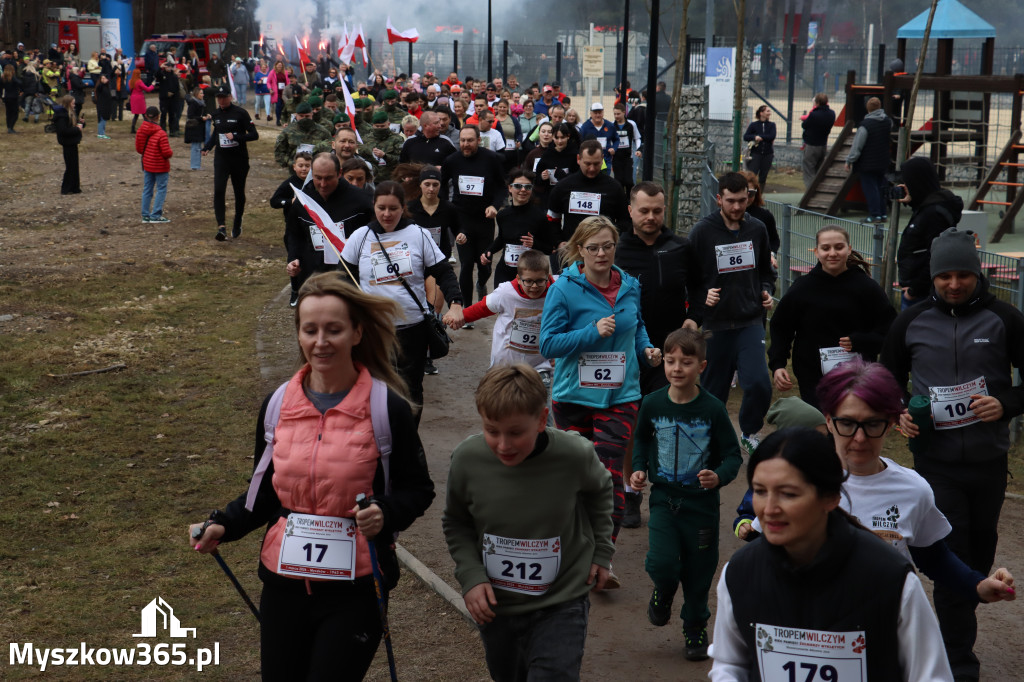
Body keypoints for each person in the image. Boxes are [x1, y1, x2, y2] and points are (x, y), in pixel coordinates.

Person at [187, 272, 435, 681]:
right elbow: (265, 492)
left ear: (357, 333)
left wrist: (385, 513)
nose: (321, 341)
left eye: (334, 330)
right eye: (310, 330)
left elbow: (418, 489)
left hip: (355, 589)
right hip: (283, 585)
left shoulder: (385, 408)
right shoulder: (277, 405)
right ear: (299, 334)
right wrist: (224, 524)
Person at [882, 227, 1024, 681]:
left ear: (978, 274)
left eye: (964, 275)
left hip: (988, 461)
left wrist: (1006, 404)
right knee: (954, 552)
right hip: (936, 463)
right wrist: (898, 410)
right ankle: (958, 662)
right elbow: (886, 379)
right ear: (933, 277)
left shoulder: (1005, 319)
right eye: (945, 276)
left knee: (979, 555)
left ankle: (958, 630)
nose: (955, 284)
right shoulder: (911, 321)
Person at [708, 427, 954, 681]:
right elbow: (728, 663)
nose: (769, 509)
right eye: (760, 491)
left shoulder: (892, 579)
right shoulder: (738, 574)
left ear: (830, 497)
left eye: (788, 494)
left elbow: (931, 676)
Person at [442, 364, 614, 681]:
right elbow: (456, 522)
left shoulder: (575, 455)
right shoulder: (467, 460)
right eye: (492, 430)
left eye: (516, 433)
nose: (503, 445)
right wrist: (471, 575)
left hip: (562, 599)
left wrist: (602, 551)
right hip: (497, 605)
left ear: (541, 418)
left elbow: (601, 491)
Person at [816, 357, 1015, 600]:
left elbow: (933, 558)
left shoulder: (912, 488)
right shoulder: (803, 481)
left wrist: (978, 586)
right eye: (847, 423)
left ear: (891, 423)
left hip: (887, 619)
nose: (859, 437)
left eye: (873, 424)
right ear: (829, 421)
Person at [539, 215, 662, 555]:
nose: (601, 254)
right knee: (574, 475)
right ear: (580, 249)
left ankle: (602, 554)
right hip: (573, 396)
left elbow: (636, 326)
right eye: (593, 248)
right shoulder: (563, 289)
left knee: (608, 474)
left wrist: (646, 349)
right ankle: (572, 544)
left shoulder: (630, 285)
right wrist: (591, 332)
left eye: (608, 246)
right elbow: (548, 344)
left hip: (620, 395)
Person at [630, 327, 742, 661]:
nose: (677, 368)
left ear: (702, 366)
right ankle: (663, 592)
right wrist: (638, 468)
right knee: (661, 562)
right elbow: (641, 439)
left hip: (702, 507)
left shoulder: (712, 409)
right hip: (664, 501)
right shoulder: (652, 403)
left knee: (699, 571)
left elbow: (733, 456)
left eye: (686, 362)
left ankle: (695, 627)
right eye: (670, 361)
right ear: (663, 362)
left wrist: (718, 476)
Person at [341, 181, 464, 421]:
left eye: (393, 208)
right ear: (374, 206)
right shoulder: (360, 237)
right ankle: (379, 436)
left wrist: (456, 304)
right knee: (372, 389)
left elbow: (443, 272)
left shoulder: (418, 234)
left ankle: (408, 437)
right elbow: (342, 279)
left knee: (410, 390)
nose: (387, 214)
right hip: (373, 331)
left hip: (412, 329)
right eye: (381, 208)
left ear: (403, 207)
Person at [686, 172, 775, 453]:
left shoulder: (757, 229)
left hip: (750, 321)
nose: (737, 207)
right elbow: (688, 277)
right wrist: (703, 296)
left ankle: (749, 431)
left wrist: (765, 290)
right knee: (714, 391)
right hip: (716, 324)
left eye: (742, 200)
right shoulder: (702, 232)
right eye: (730, 201)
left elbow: (766, 272)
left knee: (759, 383)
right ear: (719, 199)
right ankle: (711, 439)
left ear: (749, 198)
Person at [768, 225, 895, 408]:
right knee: (821, 422)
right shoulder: (802, 288)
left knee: (850, 419)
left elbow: (890, 331)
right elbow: (781, 327)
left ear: (849, 249)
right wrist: (778, 364)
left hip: (858, 376)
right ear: (816, 252)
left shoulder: (867, 288)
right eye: (826, 248)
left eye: (839, 247)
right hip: (812, 376)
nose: (832, 253)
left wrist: (861, 341)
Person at [446, 250, 556, 383]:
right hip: (506, 365)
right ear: (518, 279)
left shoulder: (557, 292)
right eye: (528, 281)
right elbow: (482, 308)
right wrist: (460, 317)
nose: (534, 286)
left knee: (539, 395)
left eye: (540, 281)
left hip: (540, 366)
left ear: (547, 277)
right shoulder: (505, 293)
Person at [286, 153, 374, 303]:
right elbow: (293, 234)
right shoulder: (303, 201)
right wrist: (293, 259)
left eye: (328, 178)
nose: (323, 184)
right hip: (315, 276)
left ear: (339, 173)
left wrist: (355, 242)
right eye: (318, 177)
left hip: (350, 277)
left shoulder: (361, 200)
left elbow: (376, 233)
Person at [442, 124, 509, 307]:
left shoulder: (491, 159)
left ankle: (481, 283)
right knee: (466, 265)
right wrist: (446, 206)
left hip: (484, 219)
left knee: (484, 264)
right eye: (463, 140)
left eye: (470, 140)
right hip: (461, 219)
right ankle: (467, 308)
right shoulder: (452, 160)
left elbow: (502, 187)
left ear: (479, 140)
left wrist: (495, 206)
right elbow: (441, 184)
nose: (466, 144)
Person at [895, 156, 965, 309]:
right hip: (917, 290)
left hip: (922, 294)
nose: (905, 186)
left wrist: (914, 290)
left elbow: (935, 255)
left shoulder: (933, 215)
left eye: (907, 182)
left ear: (916, 182)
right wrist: (913, 201)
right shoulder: (928, 208)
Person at [546, 139, 631, 255]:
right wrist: (558, 242)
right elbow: (552, 218)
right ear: (578, 159)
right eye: (587, 164)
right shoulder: (563, 187)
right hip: (572, 252)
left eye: (596, 164)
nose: (592, 168)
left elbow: (625, 221)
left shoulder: (614, 188)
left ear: (602, 159)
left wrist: (611, 239)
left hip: (603, 253)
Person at [202, 84, 259, 241]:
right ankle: (221, 227)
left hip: (239, 159)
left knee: (238, 192)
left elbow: (254, 135)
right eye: (219, 98)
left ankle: (238, 221)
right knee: (219, 190)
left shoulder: (241, 113)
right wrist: (207, 147)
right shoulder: (216, 114)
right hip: (222, 159)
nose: (221, 100)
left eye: (224, 97)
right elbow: (216, 134)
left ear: (230, 97)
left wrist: (236, 136)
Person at [482, 169, 556, 287]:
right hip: (505, 271)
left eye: (527, 187)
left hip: (530, 276)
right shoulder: (502, 215)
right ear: (510, 188)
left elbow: (549, 248)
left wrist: (534, 243)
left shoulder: (539, 216)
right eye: (518, 186)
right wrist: (488, 251)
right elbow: (502, 239)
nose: (523, 190)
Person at [271, 151, 312, 305]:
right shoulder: (289, 183)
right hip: (293, 230)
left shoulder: (315, 182)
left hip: (311, 229)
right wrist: (290, 202)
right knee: (294, 260)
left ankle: (310, 290)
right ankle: (295, 291)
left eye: (307, 166)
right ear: (294, 167)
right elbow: (274, 201)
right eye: (301, 166)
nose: (304, 169)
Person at [845, 96, 893, 224]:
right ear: (880, 107)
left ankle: (875, 215)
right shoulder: (887, 122)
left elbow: (857, 146)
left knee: (871, 189)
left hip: (867, 163)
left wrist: (849, 160)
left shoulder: (865, 125)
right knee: (881, 188)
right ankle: (883, 214)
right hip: (883, 161)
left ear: (868, 109)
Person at [136, 106, 173, 224]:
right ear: (158, 117)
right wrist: (170, 153)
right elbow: (166, 152)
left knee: (147, 189)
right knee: (161, 189)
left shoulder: (140, 130)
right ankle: (156, 215)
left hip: (147, 164)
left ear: (145, 116)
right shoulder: (161, 133)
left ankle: (145, 215)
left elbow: (139, 149)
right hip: (161, 166)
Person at [274, 101, 332, 169]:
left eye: (307, 116)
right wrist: (292, 163)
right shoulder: (288, 132)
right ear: (296, 115)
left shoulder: (323, 131)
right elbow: (279, 153)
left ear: (312, 114)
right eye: (301, 116)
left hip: (317, 169)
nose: (304, 118)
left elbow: (331, 148)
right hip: (294, 169)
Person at [357, 110, 406, 182]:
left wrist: (385, 156)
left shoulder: (397, 139)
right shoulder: (365, 139)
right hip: (371, 179)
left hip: (390, 179)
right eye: (377, 126)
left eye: (382, 126)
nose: (380, 128)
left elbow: (400, 159)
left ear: (388, 124)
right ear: (373, 125)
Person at [534, 122, 579, 199]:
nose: (559, 141)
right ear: (552, 137)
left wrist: (565, 176)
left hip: (568, 195)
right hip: (550, 195)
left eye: (562, 137)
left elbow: (578, 178)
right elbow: (536, 178)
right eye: (556, 138)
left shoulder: (574, 154)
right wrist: (542, 177)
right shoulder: (547, 154)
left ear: (568, 136)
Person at [801, 92, 835, 188]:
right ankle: (819, 188)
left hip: (812, 145)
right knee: (819, 169)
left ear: (817, 102)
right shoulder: (831, 113)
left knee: (809, 169)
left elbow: (804, 125)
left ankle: (810, 191)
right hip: (823, 144)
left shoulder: (814, 114)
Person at [53, 94, 84, 195]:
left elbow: (73, 125)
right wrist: (77, 129)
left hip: (73, 142)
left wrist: (81, 123)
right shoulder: (62, 116)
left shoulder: (70, 114)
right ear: (68, 104)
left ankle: (75, 187)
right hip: (67, 143)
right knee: (70, 166)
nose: (74, 105)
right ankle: (66, 188)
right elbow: (63, 131)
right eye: (73, 103)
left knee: (74, 166)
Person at [743, 105, 776, 189]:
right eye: (767, 111)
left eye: (769, 111)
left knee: (763, 176)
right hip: (756, 154)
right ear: (761, 113)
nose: (769, 113)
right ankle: (750, 191)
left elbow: (772, 136)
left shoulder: (772, 125)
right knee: (752, 174)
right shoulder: (754, 125)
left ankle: (760, 193)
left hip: (768, 154)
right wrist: (754, 137)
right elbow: (746, 136)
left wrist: (761, 137)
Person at [611, 103, 642, 191]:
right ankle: (620, 198)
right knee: (619, 181)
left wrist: (638, 149)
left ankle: (629, 198)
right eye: (615, 114)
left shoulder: (631, 124)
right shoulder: (612, 125)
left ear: (624, 112)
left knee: (629, 181)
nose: (616, 116)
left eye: (618, 114)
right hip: (616, 157)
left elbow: (637, 138)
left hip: (628, 157)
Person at [578, 102, 618, 169]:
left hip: (605, 160)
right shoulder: (585, 127)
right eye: (595, 113)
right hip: (591, 161)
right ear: (591, 113)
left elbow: (616, 139)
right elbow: (580, 143)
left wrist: (614, 148)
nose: (598, 115)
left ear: (603, 113)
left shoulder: (610, 126)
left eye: (600, 113)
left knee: (604, 175)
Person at [184, 86, 208, 171]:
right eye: (201, 93)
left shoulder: (199, 103)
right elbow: (191, 116)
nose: (203, 95)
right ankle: (195, 165)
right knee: (195, 147)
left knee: (198, 147)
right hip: (194, 128)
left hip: (198, 128)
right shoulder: (193, 103)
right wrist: (201, 118)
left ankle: (197, 165)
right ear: (196, 94)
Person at [128, 68, 155, 134]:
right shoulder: (139, 81)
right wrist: (152, 85)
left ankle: (133, 128)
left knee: (136, 114)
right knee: (144, 113)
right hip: (139, 98)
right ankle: (147, 127)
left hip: (133, 98)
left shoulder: (130, 81)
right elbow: (147, 89)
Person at [267, 61, 289, 126]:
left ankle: (283, 119)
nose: (279, 66)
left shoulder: (285, 72)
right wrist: (270, 89)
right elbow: (268, 82)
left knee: (283, 106)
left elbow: (288, 81)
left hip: (284, 92)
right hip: (276, 92)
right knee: (278, 106)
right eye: (278, 65)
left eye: (281, 65)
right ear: (276, 66)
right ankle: (278, 120)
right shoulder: (272, 72)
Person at [92, 73, 112, 140]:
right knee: (101, 119)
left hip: (106, 105)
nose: (104, 79)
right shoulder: (99, 86)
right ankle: (100, 134)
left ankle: (102, 133)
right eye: (102, 78)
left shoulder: (107, 86)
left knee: (104, 119)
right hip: (101, 105)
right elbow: (100, 87)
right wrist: (103, 82)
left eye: (105, 78)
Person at [1, 64, 20, 134]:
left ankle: (9, 127)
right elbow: (20, 83)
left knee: (8, 113)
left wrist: (1, 97)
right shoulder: (13, 78)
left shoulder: (3, 78)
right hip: (13, 97)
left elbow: (0, 88)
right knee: (15, 113)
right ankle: (11, 127)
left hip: (6, 97)